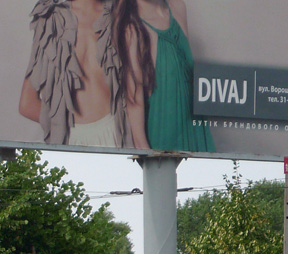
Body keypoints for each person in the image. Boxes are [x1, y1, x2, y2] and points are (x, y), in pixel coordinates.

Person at [20, 0, 133, 148]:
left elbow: (137, 95)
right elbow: (27, 104)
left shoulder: (119, 17)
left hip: (115, 134)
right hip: (68, 139)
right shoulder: (51, 19)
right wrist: (60, 124)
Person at [114, 0, 214, 151]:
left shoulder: (177, 7)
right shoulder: (132, 28)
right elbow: (134, 99)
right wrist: (144, 150)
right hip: (164, 132)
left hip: (196, 129)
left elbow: (187, 73)